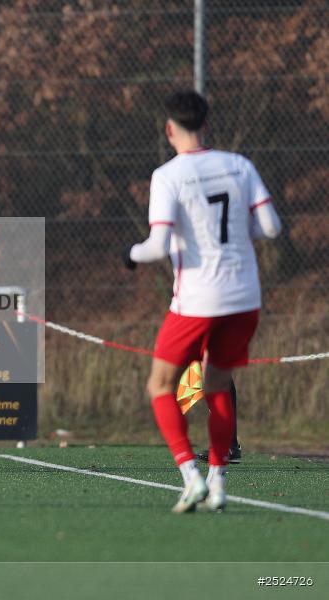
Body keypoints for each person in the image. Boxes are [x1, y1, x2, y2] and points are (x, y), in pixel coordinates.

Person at [123, 90, 281, 513]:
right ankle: (218, 480)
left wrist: (130, 255)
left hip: (197, 298)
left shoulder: (168, 175)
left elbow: (157, 246)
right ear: (206, 125)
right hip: (245, 296)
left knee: (160, 386)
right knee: (216, 385)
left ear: (169, 129)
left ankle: (190, 476)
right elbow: (270, 226)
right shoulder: (240, 165)